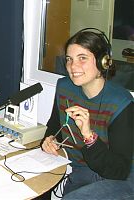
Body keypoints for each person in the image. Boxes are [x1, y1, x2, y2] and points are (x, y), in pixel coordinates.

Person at [40, 29, 133, 199]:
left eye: (82, 58)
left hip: (120, 178)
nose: (73, 67)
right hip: (82, 170)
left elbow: (119, 170)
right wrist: (50, 140)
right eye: (69, 59)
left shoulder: (121, 103)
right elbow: (54, 124)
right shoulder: (64, 88)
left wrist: (88, 136)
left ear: (103, 62)